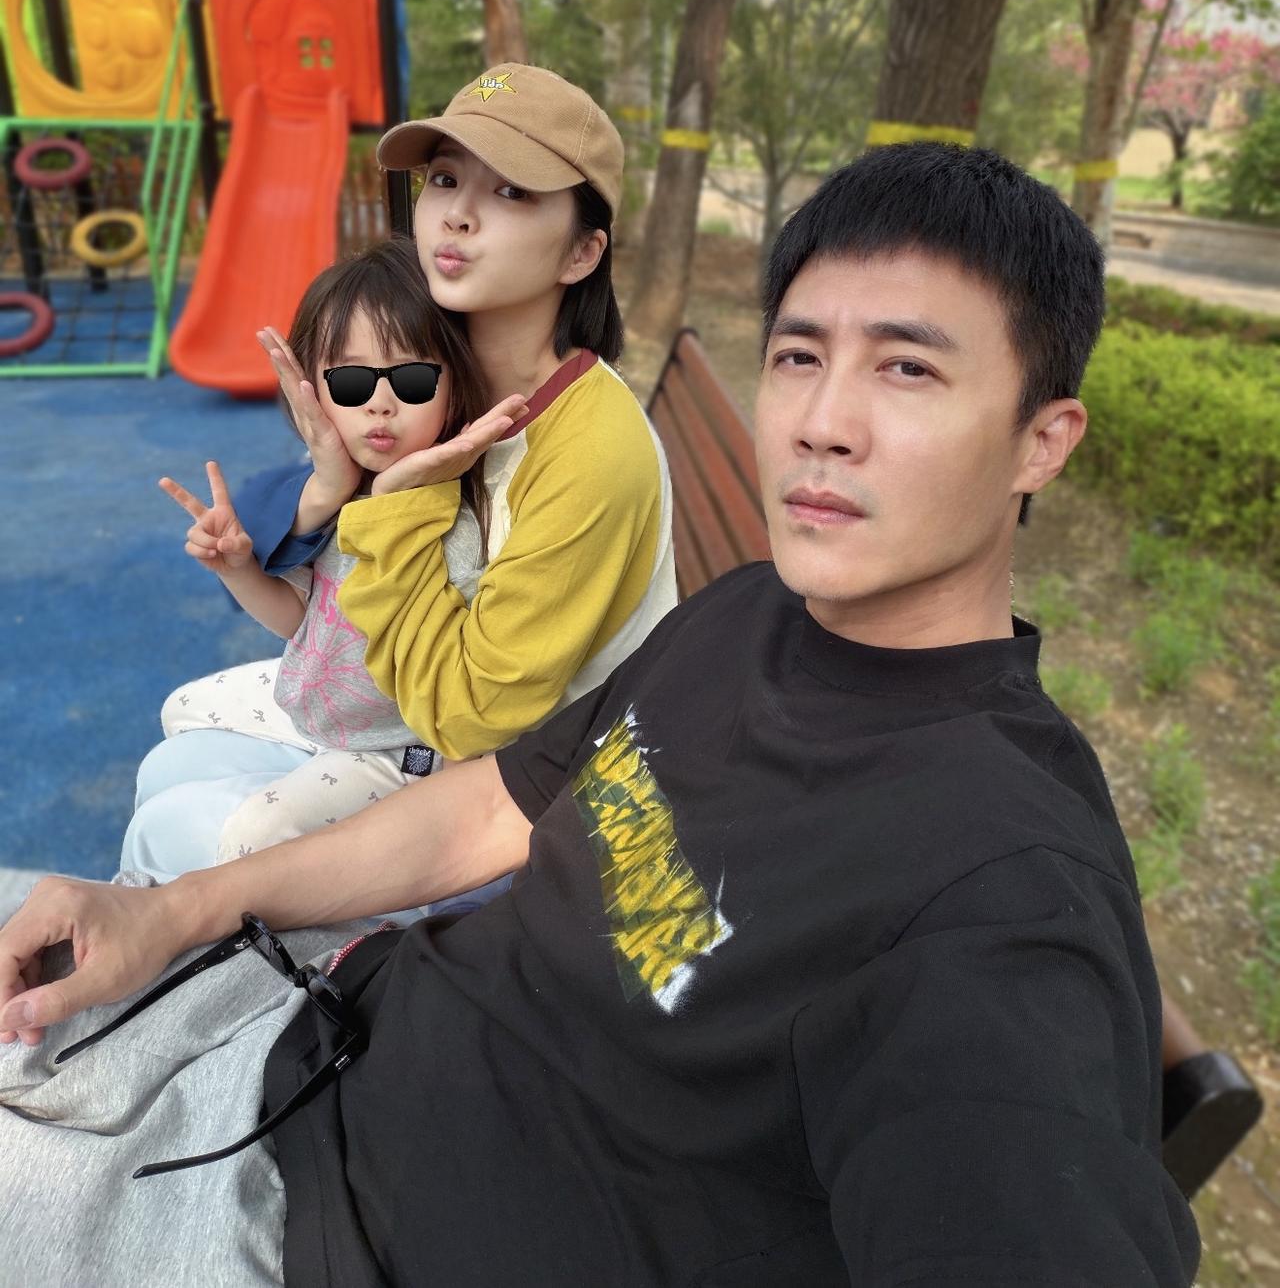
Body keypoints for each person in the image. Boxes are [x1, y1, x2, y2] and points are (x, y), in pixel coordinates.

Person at [0, 143, 1200, 1288]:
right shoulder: (745, 614)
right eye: (796, 355)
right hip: (295, 1034)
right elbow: (490, 807)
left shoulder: (993, 896)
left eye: (907, 368)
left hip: (288, 1235)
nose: (820, 421)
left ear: (1040, 440)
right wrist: (169, 910)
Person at [121, 62, 677, 883]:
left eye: (512, 191)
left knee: (182, 835)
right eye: (445, 178)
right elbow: (329, 562)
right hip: (412, 714)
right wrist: (329, 479)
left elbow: (471, 714)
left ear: (582, 251)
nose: (457, 213)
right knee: (170, 764)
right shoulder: (441, 376)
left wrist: (391, 502)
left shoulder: (591, 450)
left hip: (532, 788)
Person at [143, 238, 516, 869]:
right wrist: (237, 569)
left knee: (253, 836)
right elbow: (299, 620)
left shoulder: (455, 521)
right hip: (318, 714)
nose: (379, 402)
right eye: (350, 380)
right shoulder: (344, 490)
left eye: (413, 379)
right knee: (179, 709)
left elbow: (468, 686)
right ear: (313, 390)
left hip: (397, 751)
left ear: (457, 385)